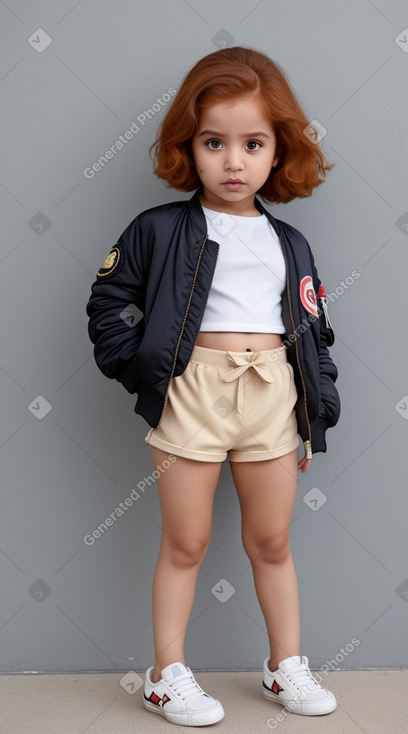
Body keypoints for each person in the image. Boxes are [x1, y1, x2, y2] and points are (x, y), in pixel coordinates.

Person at [86, 45, 340, 727]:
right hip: (192, 393)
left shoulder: (290, 244)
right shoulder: (159, 230)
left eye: (252, 143)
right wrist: (140, 369)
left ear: (278, 150)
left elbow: (315, 334)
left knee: (272, 541)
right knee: (186, 542)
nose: (233, 161)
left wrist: (315, 413)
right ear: (187, 148)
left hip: (272, 397)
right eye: (213, 142)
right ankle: (167, 676)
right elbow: (109, 299)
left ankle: (283, 667)